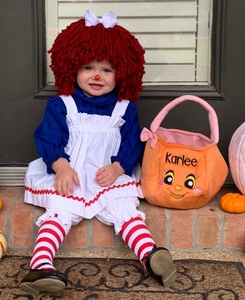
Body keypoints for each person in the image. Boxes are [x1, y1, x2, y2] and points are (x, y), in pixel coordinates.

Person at [20, 10, 177, 295]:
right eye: (88, 68)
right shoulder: (62, 105)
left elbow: (132, 143)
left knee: (125, 209)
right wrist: (60, 166)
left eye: (106, 70)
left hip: (107, 173)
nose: (97, 76)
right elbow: (48, 137)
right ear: (72, 68)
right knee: (60, 210)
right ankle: (40, 264)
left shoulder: (124, 108)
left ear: (122, 73)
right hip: (72, 174)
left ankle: (150, 255)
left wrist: (119, 168)